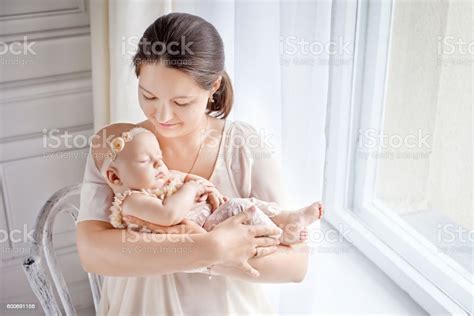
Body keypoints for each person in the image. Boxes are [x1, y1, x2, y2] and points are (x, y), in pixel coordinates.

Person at [76, 12, 311, 315]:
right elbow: (93, 252)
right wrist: (210, 249)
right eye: (148, 96)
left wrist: (202, 256)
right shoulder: (117, 147)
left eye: (181, 102)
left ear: (213, 87)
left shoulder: (244, 146)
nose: (161, 116)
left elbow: (296, 264)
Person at [91, 123, 323, 245]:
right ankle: (278, 234)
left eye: (159, 157)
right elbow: (168, 215)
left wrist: (204, 186)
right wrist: (191, 190)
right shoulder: (131, 201)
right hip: (201, 234)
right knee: (240, 210)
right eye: (146, 161)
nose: (160, 165)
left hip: (208, 220)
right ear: (115, 178)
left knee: (245, 205)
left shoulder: (161, 179)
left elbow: (187, 177)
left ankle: (285, 218)